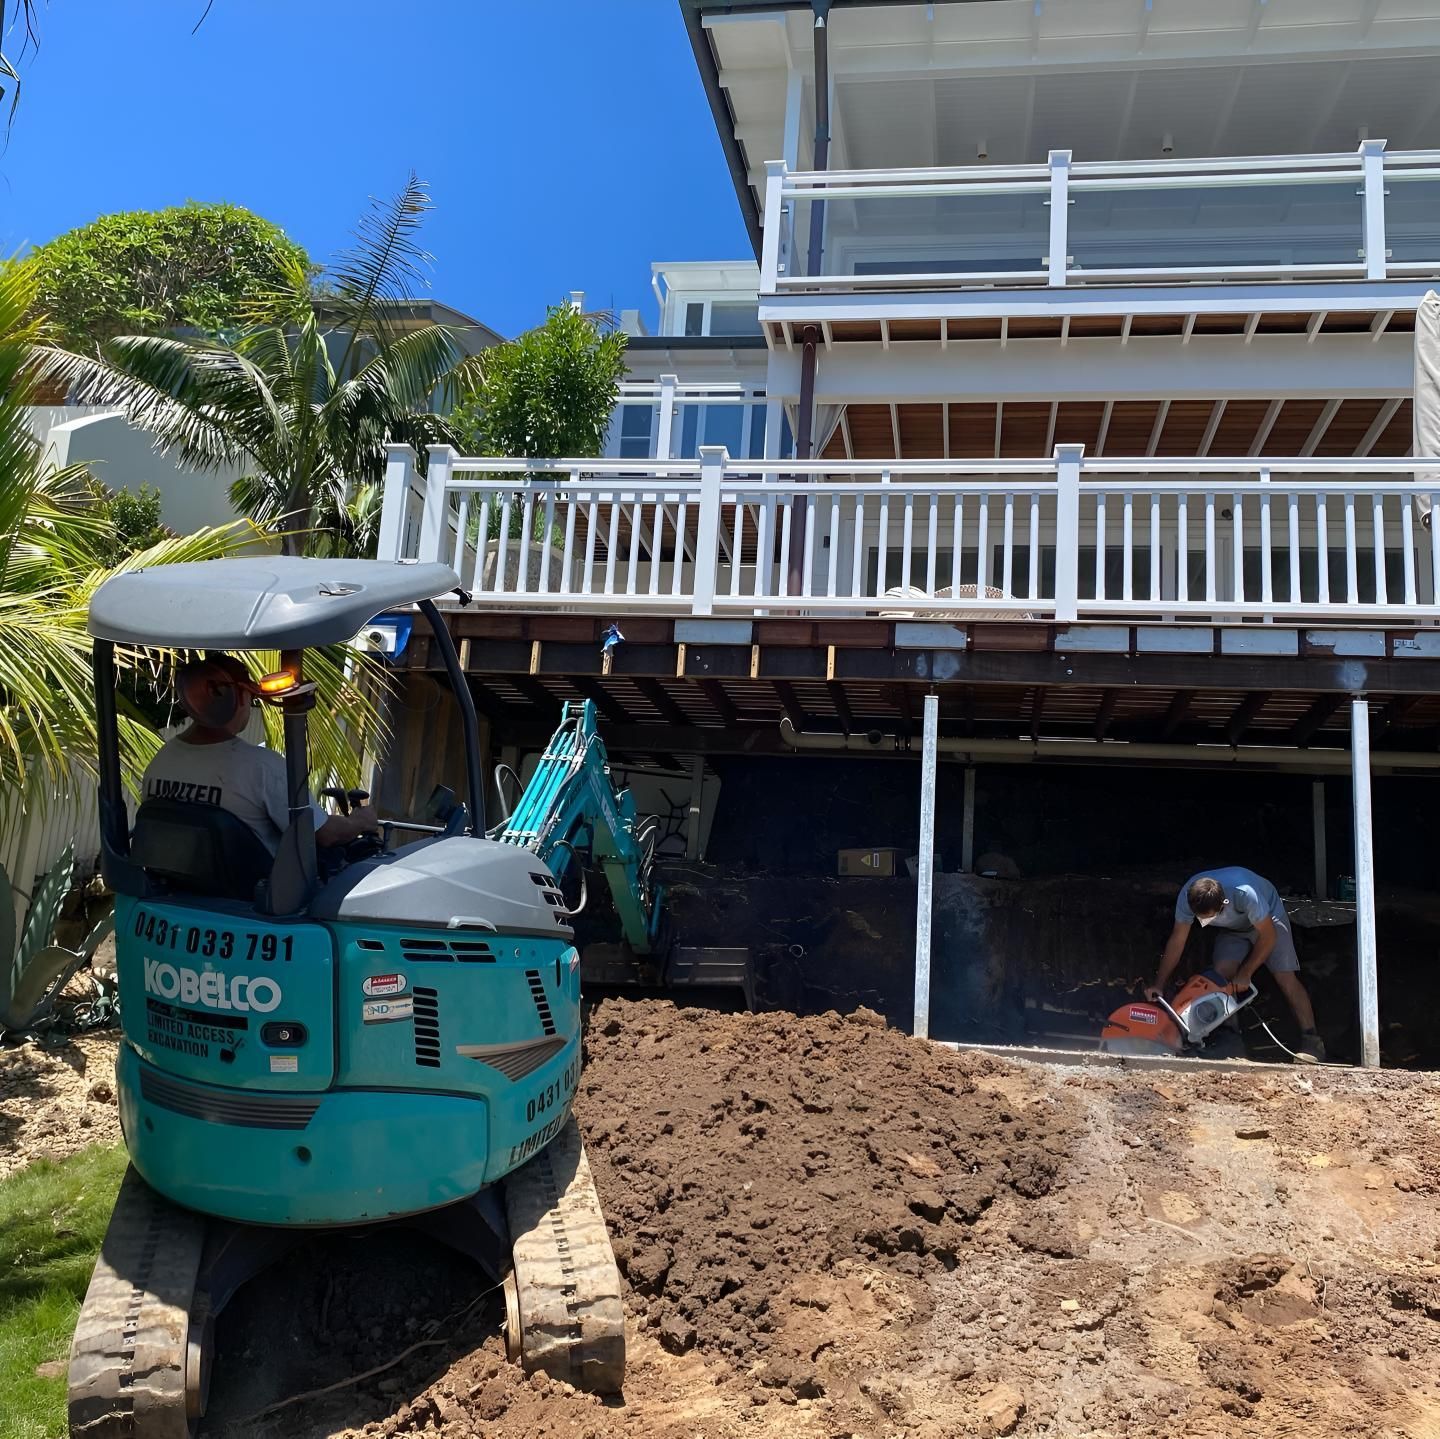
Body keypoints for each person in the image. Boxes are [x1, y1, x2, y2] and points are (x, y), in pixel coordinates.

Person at [141, 653, 379, 856]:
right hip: (249, 898)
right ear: (240, 697)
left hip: (178, 890)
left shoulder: (161, 761)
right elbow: (324, 835)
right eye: (252, 696)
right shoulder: (262, 767)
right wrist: (358, 821)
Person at [1148, 866, 1324, 1064]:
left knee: (1284, 976)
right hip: (1233, 929)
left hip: (1269, 921)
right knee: (1220, 976)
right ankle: (1229, 1040)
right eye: (1200, 917)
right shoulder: (1188, 896)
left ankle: (1312, 1041)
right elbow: (1177, 941)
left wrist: (1247, 972)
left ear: (1223, 904)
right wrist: (1159, 984)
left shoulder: (1246, 893)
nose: (1204, 921)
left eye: (1209, 917)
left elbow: (1268, 936)